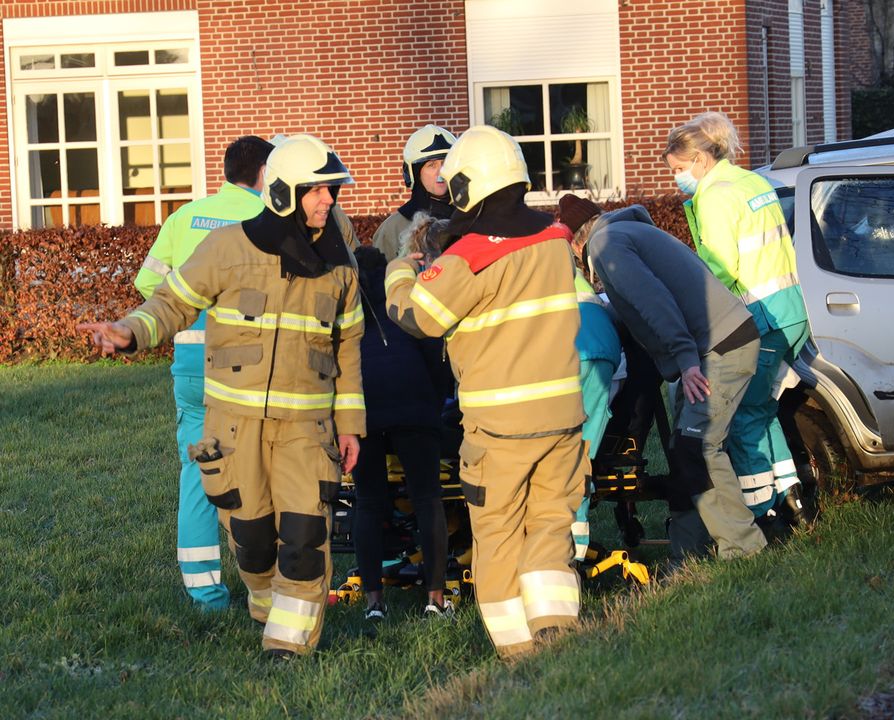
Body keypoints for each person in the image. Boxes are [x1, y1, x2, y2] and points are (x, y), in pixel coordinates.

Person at [79, 134, 365, 659]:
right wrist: (128, 331)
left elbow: (348, 345)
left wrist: (350, 424)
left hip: (306, 431)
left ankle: (288, 646)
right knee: (252, 539)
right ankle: (266, 601)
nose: (330, 199)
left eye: (332, 190)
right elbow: (172, 303)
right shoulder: (228, 248)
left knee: (305, 536)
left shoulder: (339, 260)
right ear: (282, 192)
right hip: (235, 428)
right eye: (318, 190)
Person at [383, 125, 586, 659]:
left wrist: (402, 272)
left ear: (469, 186)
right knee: (550, 525)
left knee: (496, 532)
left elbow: (417, 317)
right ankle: (557, 636)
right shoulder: (555, 238)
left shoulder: (470, 254)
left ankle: (516, 651)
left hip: (499, 426)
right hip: (562, 415)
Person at [563, 200, 766, 562]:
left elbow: (654, 302)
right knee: (682, 450)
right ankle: (688, 554)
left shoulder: (605, 245)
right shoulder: (629, 231)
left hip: (715, 349)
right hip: (719, 340)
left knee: (698, 446)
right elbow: (635, 308)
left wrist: (686, 360)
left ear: (576, 243)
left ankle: (744, 548)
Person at [132, 135, 275, 612]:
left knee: (197, 471)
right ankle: (268, 584)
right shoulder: (265, 217)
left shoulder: (184, 216)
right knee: (261, 469)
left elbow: (149, 283)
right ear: (262, 174)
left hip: (191, 364)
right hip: (247, 367)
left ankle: (205, 594)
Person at [664, 112, 813, 526]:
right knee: (763, 410)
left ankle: (760, 514)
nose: (677, 179)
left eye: (678, 170)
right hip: (792, 311)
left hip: (759, 316)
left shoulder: (715, 196)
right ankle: (794, 501)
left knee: (745, 416)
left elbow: (718, 270)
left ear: (699, 159)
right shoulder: (752, 181)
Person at [350, 244, 453, 623]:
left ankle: (373, 602)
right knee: (427, 499)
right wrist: (435, 401)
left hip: (364, 414)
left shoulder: (347, 314)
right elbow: (435, 353)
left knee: (368, 502)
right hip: (415, 409)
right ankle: (435, 597)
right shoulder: (405, 303)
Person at [557, 194, 624, 561]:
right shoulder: (573, 271)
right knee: (583, 451)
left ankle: (568, 553)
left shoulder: (534, 266)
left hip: (571, 348)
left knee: (564, 453)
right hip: (605, 348)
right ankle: (577, 550)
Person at [372, 124, 457, 261]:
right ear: (415, 174)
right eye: (431, 165)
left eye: (445, 163)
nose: (441, 172)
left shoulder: (470, 218)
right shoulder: (393, 229)